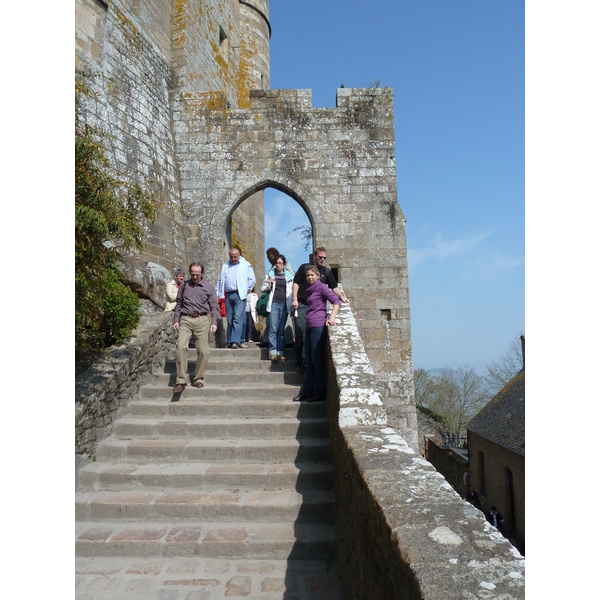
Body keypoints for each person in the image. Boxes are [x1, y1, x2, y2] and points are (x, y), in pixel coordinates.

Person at [291, 246, 349, 372]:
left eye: (324, 258)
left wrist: (342, 297)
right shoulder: (304, 268)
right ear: (314, 256)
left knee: (309, 337)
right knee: (300, 334)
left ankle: (307, 364)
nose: (322, 259)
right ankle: (300, 363)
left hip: (316, 309)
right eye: (320, 257)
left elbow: (333, 287)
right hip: (302, 304)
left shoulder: (326, 272)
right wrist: (294, 298)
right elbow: (296, 283)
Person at [293, 265, 341, 403]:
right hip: (309, 326)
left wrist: (331, 317)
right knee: (308, 361)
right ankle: (306, 392)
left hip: (318, 326)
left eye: (312, 275)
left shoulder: (321, 287)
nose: (309, 277)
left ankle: (319, 392)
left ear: (318, 276)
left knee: (316, 360)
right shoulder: (309, 290)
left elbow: (336, 302)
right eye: (308, 275)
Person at [172, 262, 219, 393]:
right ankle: (181, 380)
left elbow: (214, 307)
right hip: (186, 319)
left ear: (202, 273)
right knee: (181, 347)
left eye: (197, 274)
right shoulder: (184, 285)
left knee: (203, 351)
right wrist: (176, 320)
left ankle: (198, 378)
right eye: (192, 274)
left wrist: (214, 322)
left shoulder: (208, 287)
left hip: (202, 319)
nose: (195, 277)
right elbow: (179, 303)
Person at [216, 247, 256, 349]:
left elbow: (252, 279)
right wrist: (217, 293)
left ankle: (235, 341)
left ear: (239, 256)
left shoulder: (245, 265)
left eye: (235, 257)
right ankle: (230, 341)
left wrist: (245, 289)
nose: (233, 259)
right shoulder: (226, 266)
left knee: (237, 318)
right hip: (228, 294)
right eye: (231, 257)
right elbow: (220, 280)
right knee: (230, 320)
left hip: (240, 295)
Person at [260, 254, 294, 362]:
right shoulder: (270, 275)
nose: (278, 265)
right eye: (277, 263)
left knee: (280, 329)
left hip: (284, 305)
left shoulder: (289, 277)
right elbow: (262, 288)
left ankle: (280, 352)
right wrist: (269, 284)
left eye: (280, 263)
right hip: (273, 304)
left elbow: (292, 291)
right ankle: (272, 352)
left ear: (284, 264)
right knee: (273, 328)